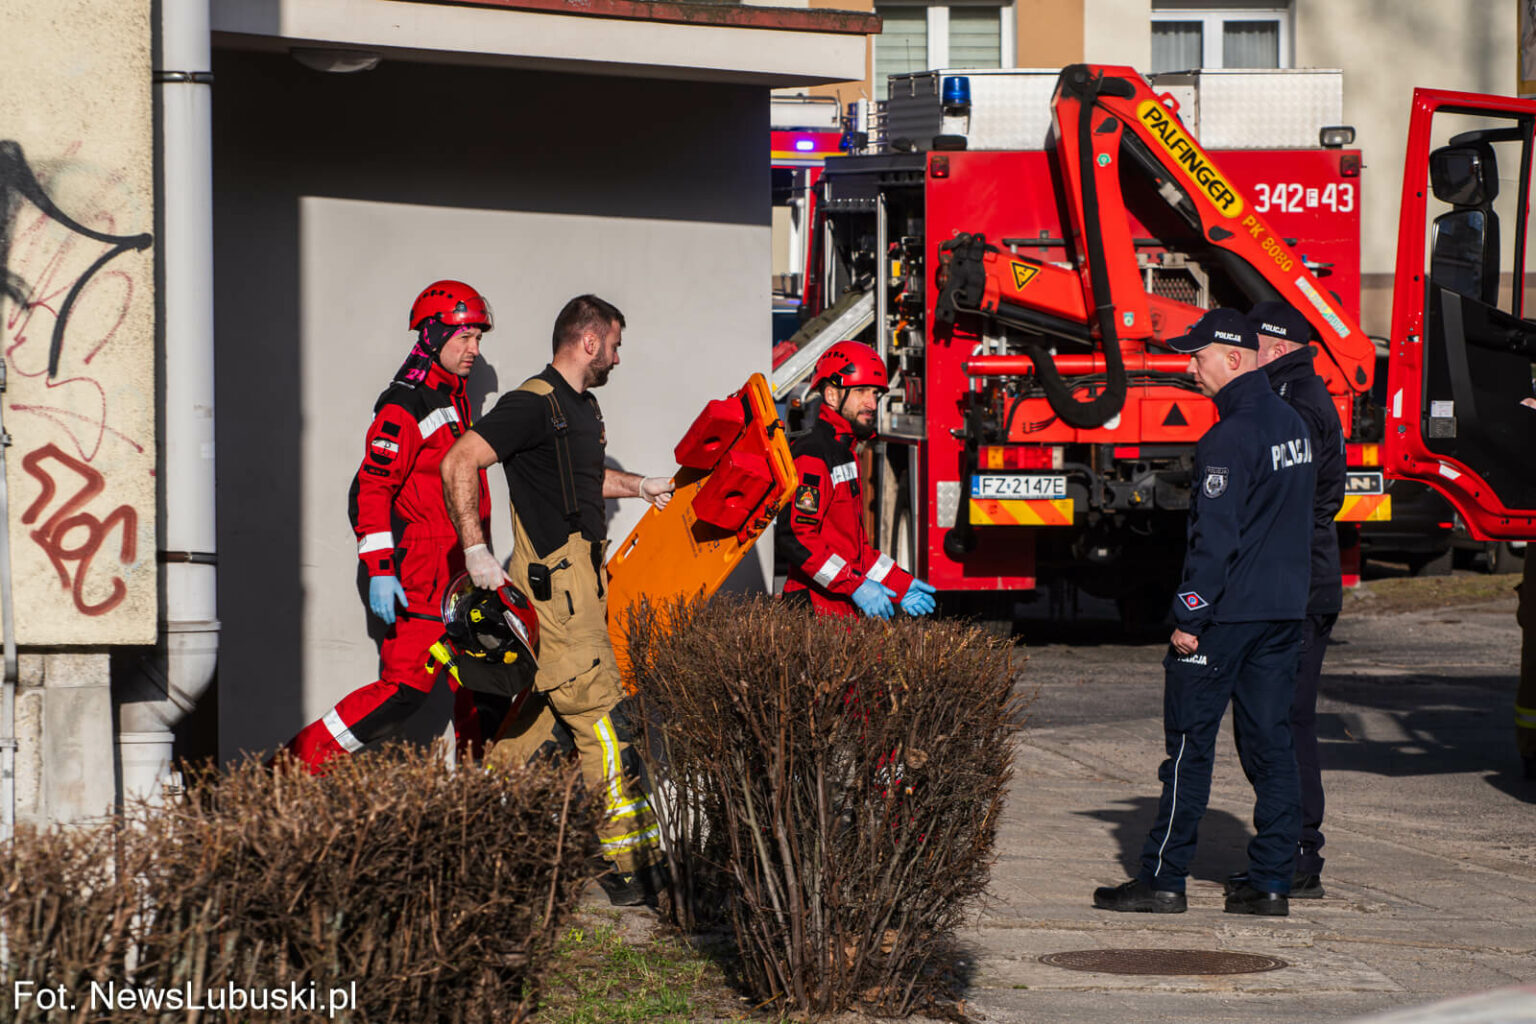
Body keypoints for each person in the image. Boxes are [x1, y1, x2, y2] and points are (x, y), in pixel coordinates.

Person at [439, 294, 674, 907]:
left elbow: (585, 476)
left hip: (581, 588)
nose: (619, 358)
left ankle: (465, 838)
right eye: (615, 345)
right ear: (590, 341)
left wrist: (643, 486)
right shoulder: (531, 404)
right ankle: (631, 868)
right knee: (604, 726)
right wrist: (475, 551)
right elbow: (460, 461)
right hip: (558, 592)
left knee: (532, 729)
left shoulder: (581, 410)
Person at [1092, 307, 1315, 917]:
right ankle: (1271, 881)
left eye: (1199, 357)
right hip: (1281, 611)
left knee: (1190, 749)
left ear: (1235, 359)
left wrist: (1190, 615)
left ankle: (1164, 878)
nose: (1191, 368)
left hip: (1227, 617)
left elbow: (1215, 540)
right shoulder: (1292, 423)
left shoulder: (1227, 437)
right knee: (1271, 746)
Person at [279, 280, 496, 770]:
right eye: (464, 338)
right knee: (403, 691)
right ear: (434, 336)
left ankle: (480, 800)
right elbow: (371, 490)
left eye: (479, 338)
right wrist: (380, 568)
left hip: (463, 572)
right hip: (424, 571)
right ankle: (289, 769)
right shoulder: (405, 406)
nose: (474, 350)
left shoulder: (455, 399)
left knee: (481, 690)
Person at [1228, 299, 1344, 900]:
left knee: (1278, 724)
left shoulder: (1290, 405)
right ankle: (1290, 849)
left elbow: (1300, 504)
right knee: (1278, 722)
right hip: (1303, 582)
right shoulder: (1301, 394)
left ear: (1273, 348)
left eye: (1249, 344)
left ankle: (1296, 853)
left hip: (1293, 588)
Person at [778, 340, 937, 619]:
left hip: (839, 607)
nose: (872, 403)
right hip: (814, 611)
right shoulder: (814, 455)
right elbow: (797, 539)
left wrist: (901, 583)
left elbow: (856, 552)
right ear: (831, 395)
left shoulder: (845, 453)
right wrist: (855, 585)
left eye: (875, 394)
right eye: (861, 391)